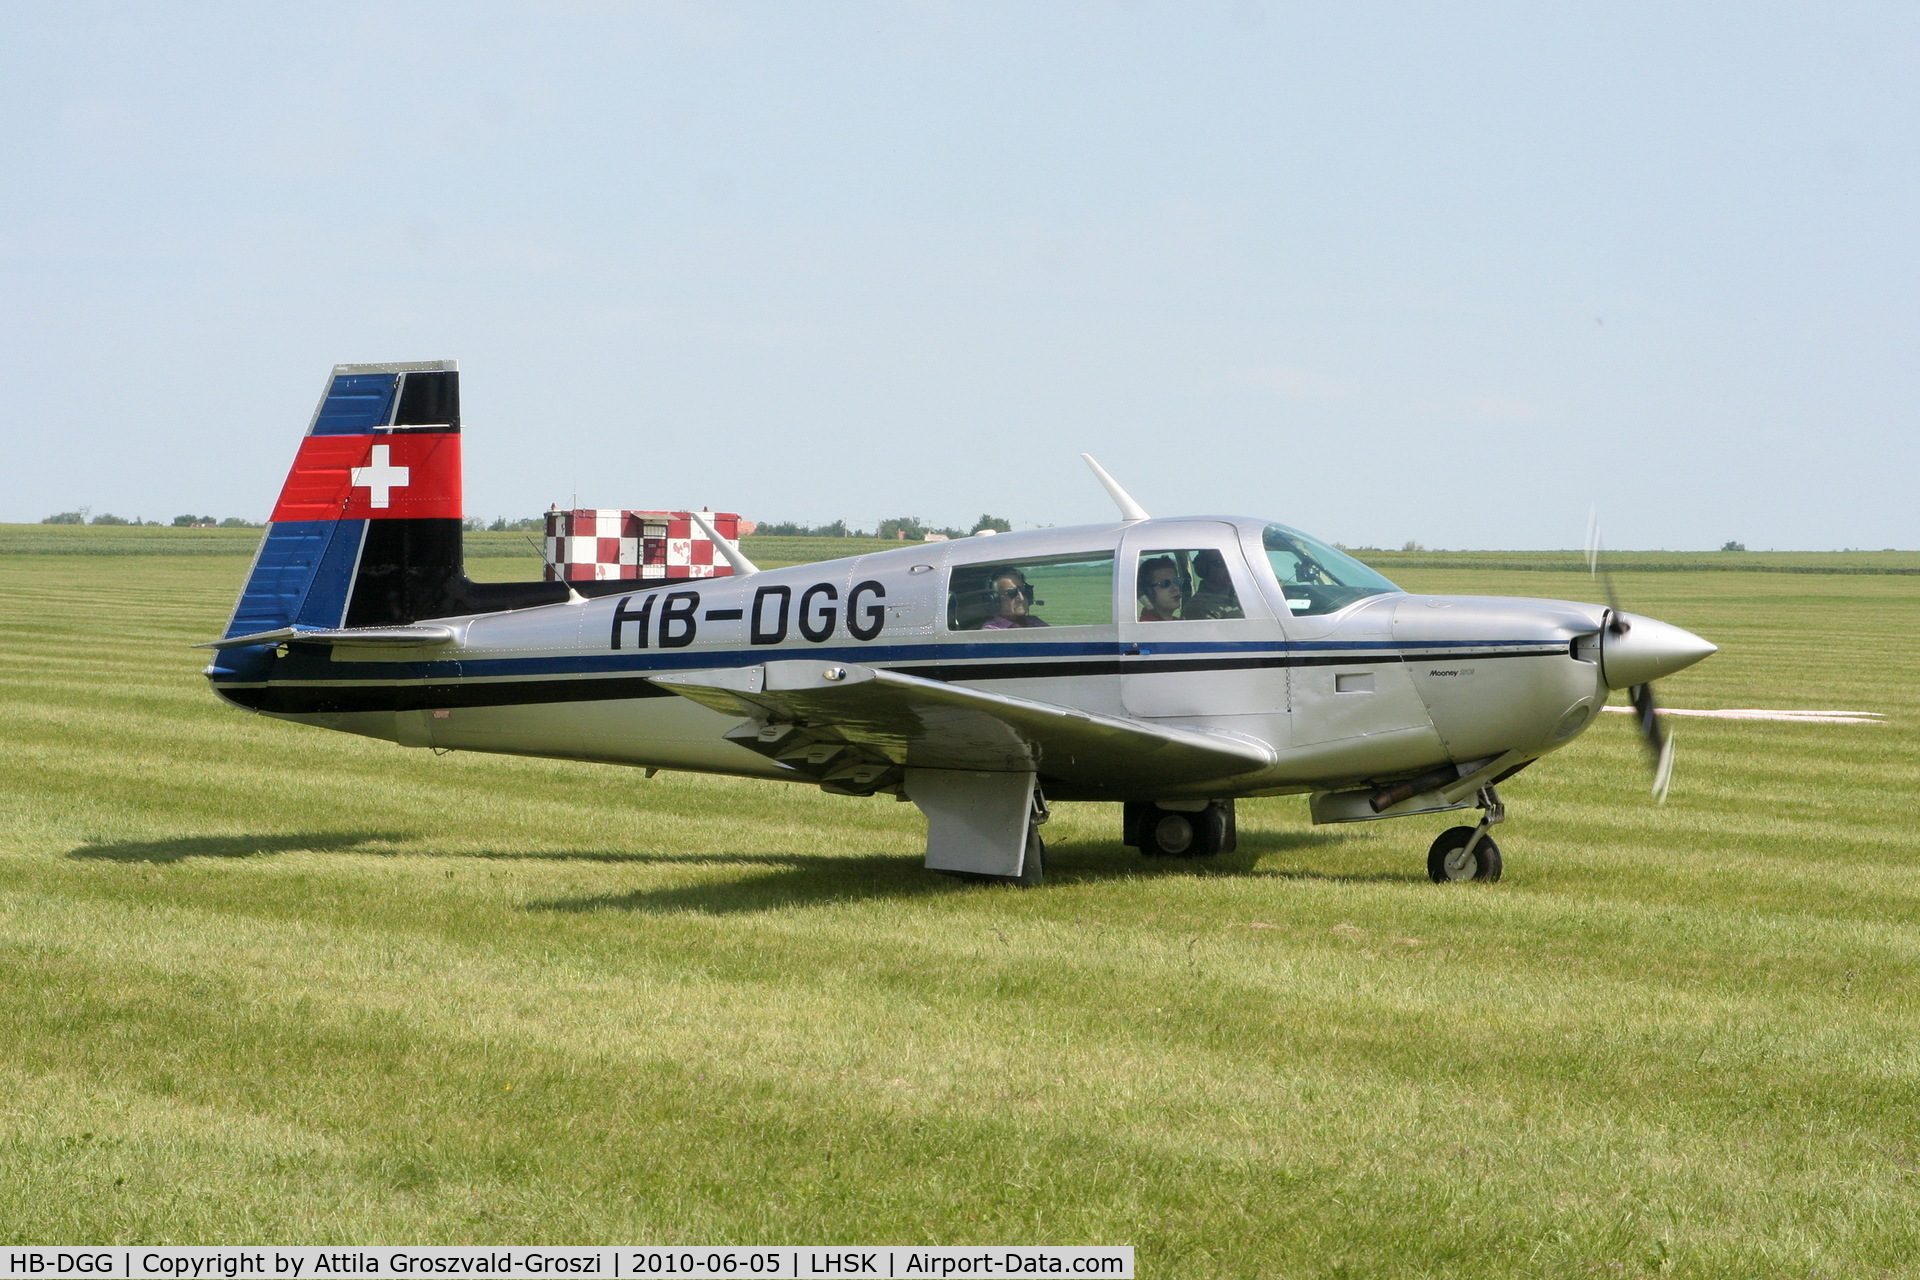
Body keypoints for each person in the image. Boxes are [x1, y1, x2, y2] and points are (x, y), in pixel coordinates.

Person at [1183, 548, 1244, 620]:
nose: (1229, 568)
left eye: (1231, 562)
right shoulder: (1198, 606)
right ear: (1203, 568)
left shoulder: (1241, 597)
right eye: (1220, 563)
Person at [980, 567, 1049, 629]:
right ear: (995, 599)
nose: (1021, 598)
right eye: (1012, 593)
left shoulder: (1034, 622)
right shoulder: (992, 630)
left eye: (1023, 590)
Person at [1137, 556, 1184, 622]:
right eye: (1165, 583)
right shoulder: (1146, 628)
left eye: (1176, 581)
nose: (1175, 588)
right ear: (1148, 591)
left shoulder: (1178, 623)